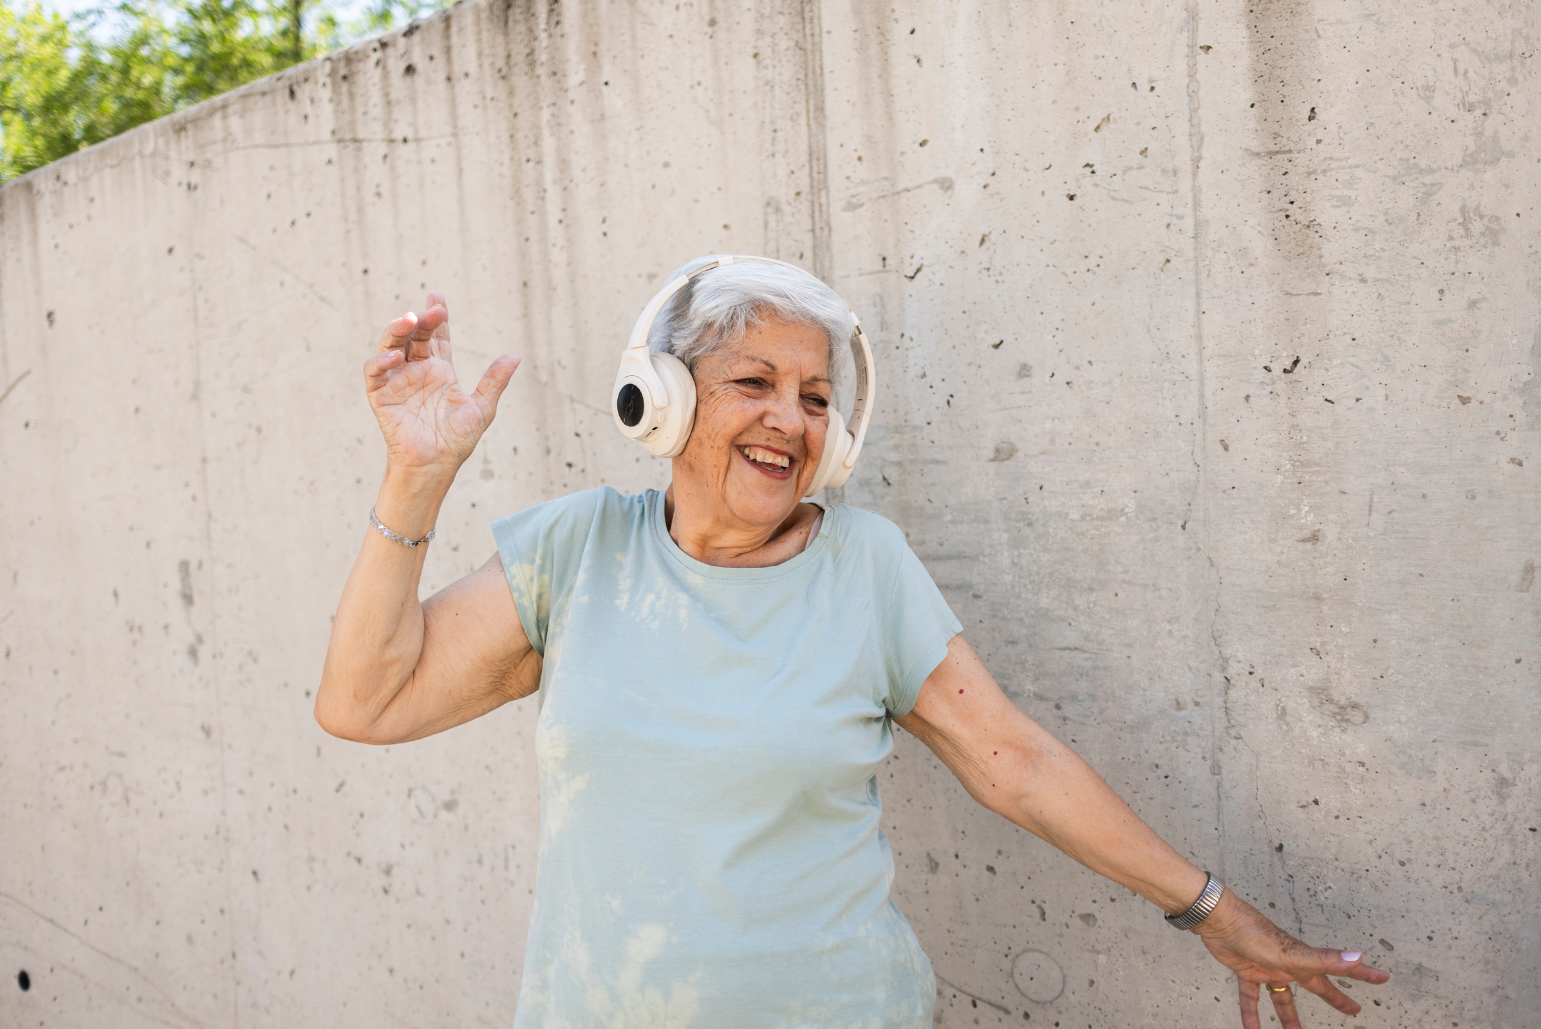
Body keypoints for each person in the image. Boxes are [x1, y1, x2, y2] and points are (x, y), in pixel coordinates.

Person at [315, 257, 1390, 1029]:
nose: (791, 419)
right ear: (665, 400)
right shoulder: (576, 551)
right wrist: (419, 473)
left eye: (817, 398)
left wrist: (1210, 910)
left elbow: (1012, 763)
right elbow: (364, 703)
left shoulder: (865, 565)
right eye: (754, 384)